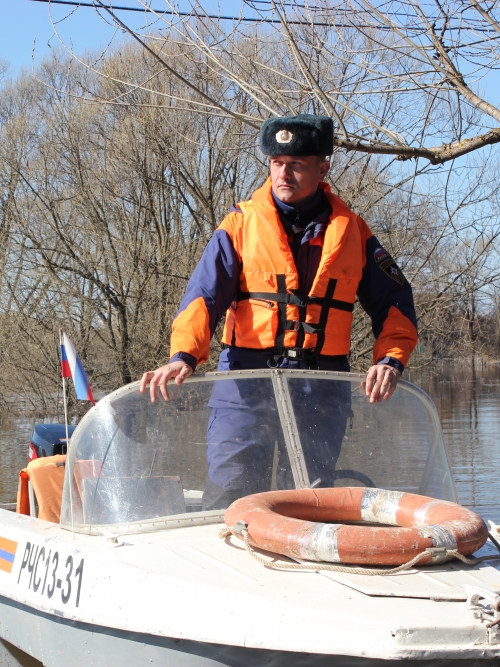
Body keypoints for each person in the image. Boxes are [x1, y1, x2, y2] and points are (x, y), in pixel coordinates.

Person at [139, 114, 419, 508]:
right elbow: (202, 297)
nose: (283, 174)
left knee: (308, 504)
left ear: (323, 168)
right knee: (230, 498)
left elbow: (396, 304)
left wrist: (390, 360)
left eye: (296, 165)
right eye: (275, 163)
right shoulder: (239, 225)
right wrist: (182, 356)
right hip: (245, 386)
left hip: (320, 389)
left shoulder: (353, 232)